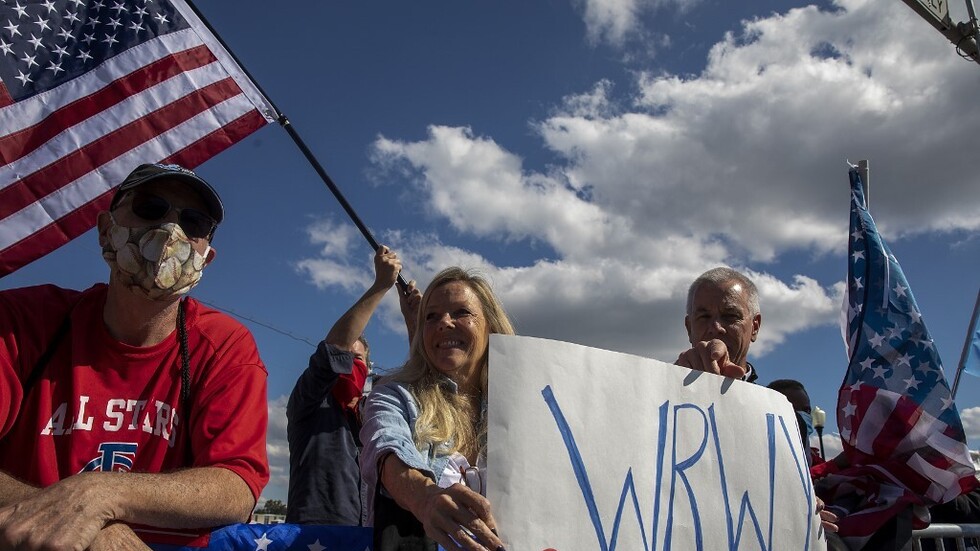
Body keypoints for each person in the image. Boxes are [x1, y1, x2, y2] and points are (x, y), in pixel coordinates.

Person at [0, 163, 269, 549]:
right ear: (105, 229)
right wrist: (87, 524)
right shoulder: (22, 322)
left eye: (193, 222)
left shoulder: (224, 345)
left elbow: (236, 486)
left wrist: (100, 496)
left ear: (206, 257)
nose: (170, 230)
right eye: (150, 208)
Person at [360, 267, 513, 551]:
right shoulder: (395, 395)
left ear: (490, 326)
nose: (444, 322)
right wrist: (424, 496)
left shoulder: (521, 407)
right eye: (431, 316)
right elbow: (385, 446)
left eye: (461, 312)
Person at [286, 245, 421, 526]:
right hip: (312, 537)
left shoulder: (377, 413)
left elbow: (418, 382)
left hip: (367, 536)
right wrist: (380, 286)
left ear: (369, 368)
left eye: (356, 359)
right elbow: (333, 352)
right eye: (344, 358)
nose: (347, 364)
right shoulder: (309, 403)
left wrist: (413, 324)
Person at [675, 267, 761, 382]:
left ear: (755, 327)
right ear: (689, 328)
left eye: (730, 316)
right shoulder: (660, 387)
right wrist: (672, 380)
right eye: (704, 317)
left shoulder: (774, 394)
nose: (716, 328)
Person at [767, 379, 824, 467]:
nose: (801, 416)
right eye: (792, 409)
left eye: (806, 410)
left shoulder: (816, 461)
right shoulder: (764, 455)